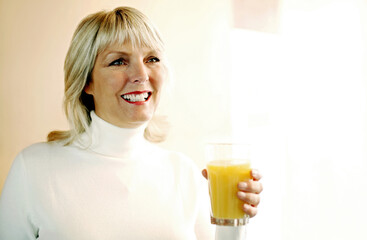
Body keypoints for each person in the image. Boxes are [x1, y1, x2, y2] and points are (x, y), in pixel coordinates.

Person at [0, 6, 262, 240]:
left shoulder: (184, 173)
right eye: (118, 61)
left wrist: (236, 221)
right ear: (86, 82)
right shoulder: (33, 169)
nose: (140, 74)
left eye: (152, 59)